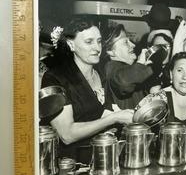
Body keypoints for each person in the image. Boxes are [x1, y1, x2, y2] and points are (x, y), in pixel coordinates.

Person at [41, 17, 134, 159]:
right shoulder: (56, 78)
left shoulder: (101, 73)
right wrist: (114, 118)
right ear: (71, 45)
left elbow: (104, 112)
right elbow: (67, 134)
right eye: (89, 42)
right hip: (71, 163)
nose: (97, 48)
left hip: (102, 157)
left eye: (98, 41)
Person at [104, 24, 154, 110]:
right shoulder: (112, 67)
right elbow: (123, 82)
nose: (133, 45)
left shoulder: (126, 69)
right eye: (126, 42)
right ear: (110, 51)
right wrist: (140, 64)